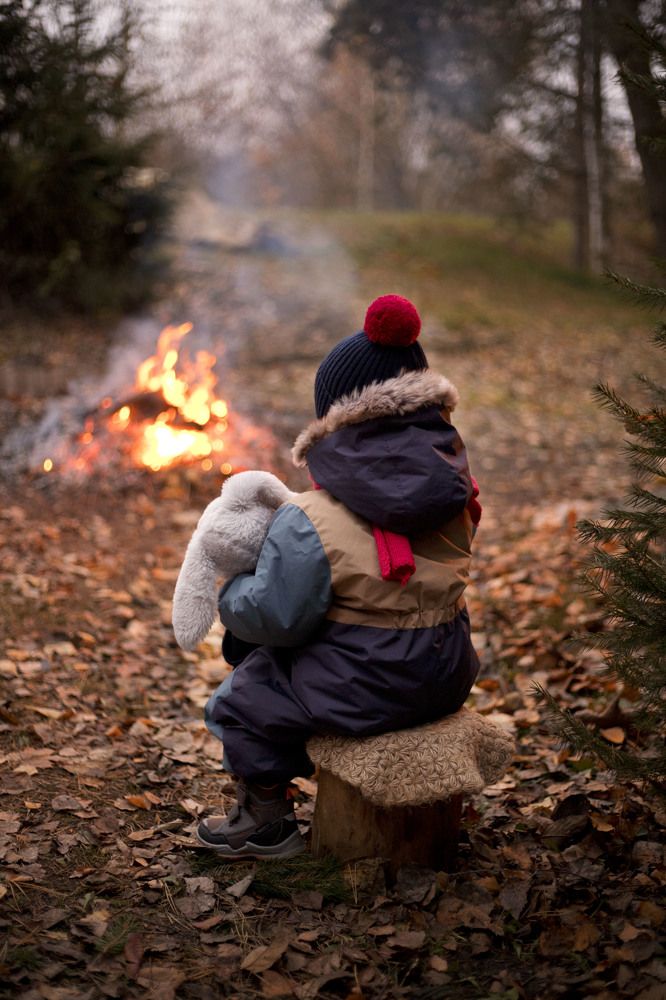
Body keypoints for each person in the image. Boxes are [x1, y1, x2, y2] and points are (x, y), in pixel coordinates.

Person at [198, 294, 481, 858]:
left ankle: (266, 819)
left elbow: (278, 616)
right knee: (337, 643)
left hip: (368, 682)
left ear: (334, 418)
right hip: (447, 667)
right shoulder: (456, 490)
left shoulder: (310, 516)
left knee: (246, 697)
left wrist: (232, 594)